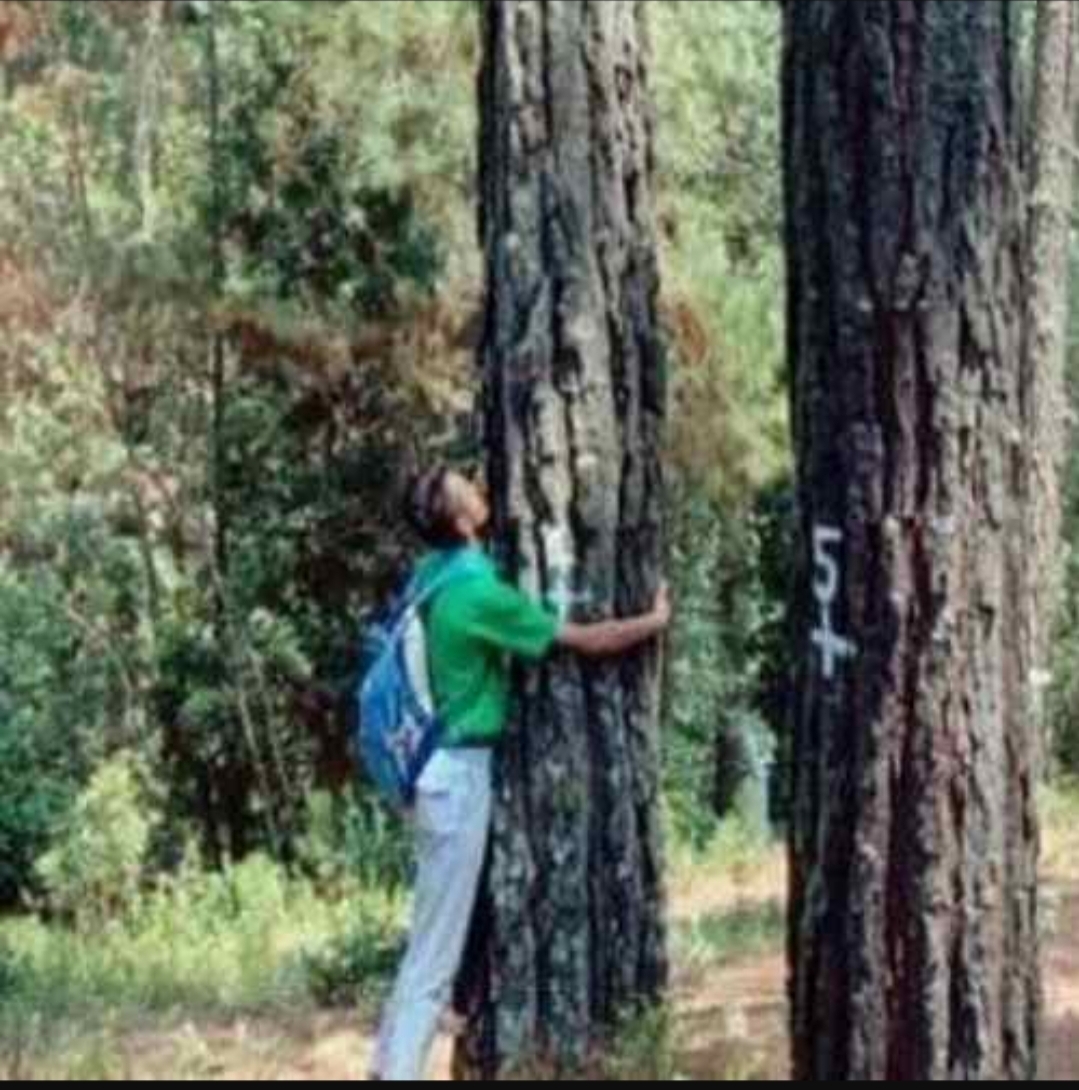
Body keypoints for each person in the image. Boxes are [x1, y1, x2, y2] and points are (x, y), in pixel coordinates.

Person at [372, 466, 672, 1082]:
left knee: (435, 934)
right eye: (468, 490)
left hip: (436, 774)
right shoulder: (476, 595)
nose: (482, 488)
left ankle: (395, 1059)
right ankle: (395, 1072)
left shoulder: (432, 578)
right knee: (433, 950)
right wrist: (653, 621)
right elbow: (583, 640)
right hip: (456, 775)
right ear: (461, 522)